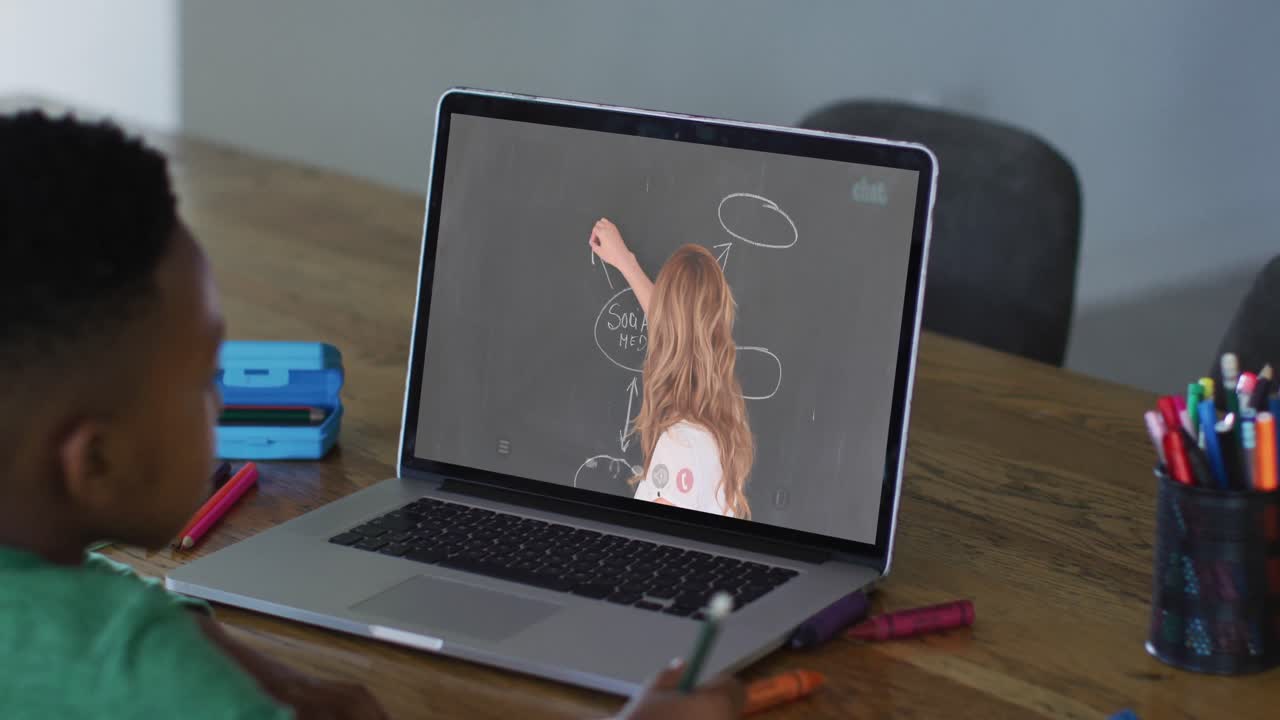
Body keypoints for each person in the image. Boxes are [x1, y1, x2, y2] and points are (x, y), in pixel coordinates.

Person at [0, 112, 742, 720]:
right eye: (203, 379)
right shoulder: (150, 678)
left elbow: (73, 598)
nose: (221, 401)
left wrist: (214, 644)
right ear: (95, 462)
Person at [589, 218, 755, 520]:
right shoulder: (723, 425)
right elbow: (681, 335)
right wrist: (628, 264)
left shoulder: (678, 447)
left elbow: (651, 549)